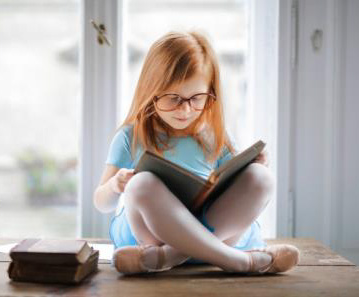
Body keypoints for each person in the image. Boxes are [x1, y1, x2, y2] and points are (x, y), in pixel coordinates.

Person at [93, 31, 299, 275]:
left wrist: (254, 165)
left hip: (212, 233)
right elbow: (101, 203)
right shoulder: (131, 136)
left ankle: (169, 256)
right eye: (173, 98)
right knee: (141, 185)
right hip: (154, 235)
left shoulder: (216, 134)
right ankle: (239, 262)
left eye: (197, 98)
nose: (185, 109)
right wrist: (116, 186)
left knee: (262, 177)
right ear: (151, 92)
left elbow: (236, 188)